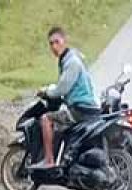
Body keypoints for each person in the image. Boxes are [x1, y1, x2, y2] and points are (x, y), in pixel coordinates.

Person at [34, 26, 99, 169]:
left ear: (64, 41)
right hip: (85, 107)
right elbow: (65, 85)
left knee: (46, 119)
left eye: (56, 42)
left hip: (80, 109)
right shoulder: (71, 59)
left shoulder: (71, 62)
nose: (54, 46)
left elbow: (61, 89)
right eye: (50, 43)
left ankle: (49, 160)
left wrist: (45, 91)